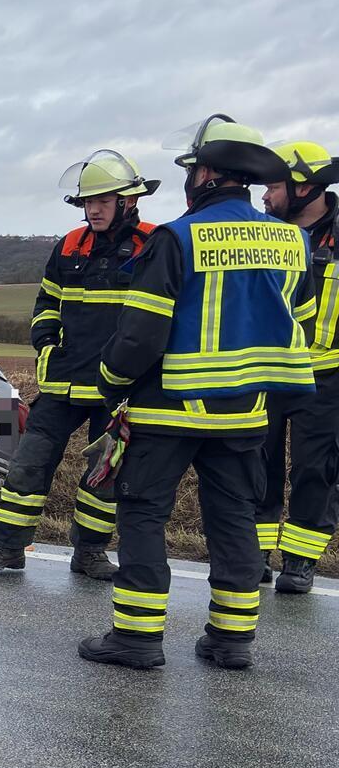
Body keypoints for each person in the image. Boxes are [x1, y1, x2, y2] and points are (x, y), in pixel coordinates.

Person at [78, 114, 317, 671]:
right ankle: (231, 641)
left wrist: (109, 385)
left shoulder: (176, 237)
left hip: (168, 409)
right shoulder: (293, 241)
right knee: (234, 522)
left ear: (206, 174)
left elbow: (140, 333)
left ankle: (136, 639)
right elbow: (298, 326)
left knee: (142, 514)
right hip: (245, 415)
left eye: (192, 169)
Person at [0, 150, 158, 580]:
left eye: (103, 201)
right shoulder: (70, 246)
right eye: (88, 202)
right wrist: (45, 342)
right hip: (63, 381)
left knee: (103, 475)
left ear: (128, 202)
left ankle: (89, 553)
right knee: (28, 464)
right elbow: (46, 302)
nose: (93, 209)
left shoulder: (152, 245)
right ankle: (7, 547)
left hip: (119, 388)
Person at [253, 140, 339, 593]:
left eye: (272, 185)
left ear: (304, 186)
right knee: (255, 462)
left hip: (326, 376)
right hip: (269, 370)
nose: (265, 196)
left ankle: (301, 561)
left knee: (315, 469)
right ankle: (255, 554)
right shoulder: (265, 234)